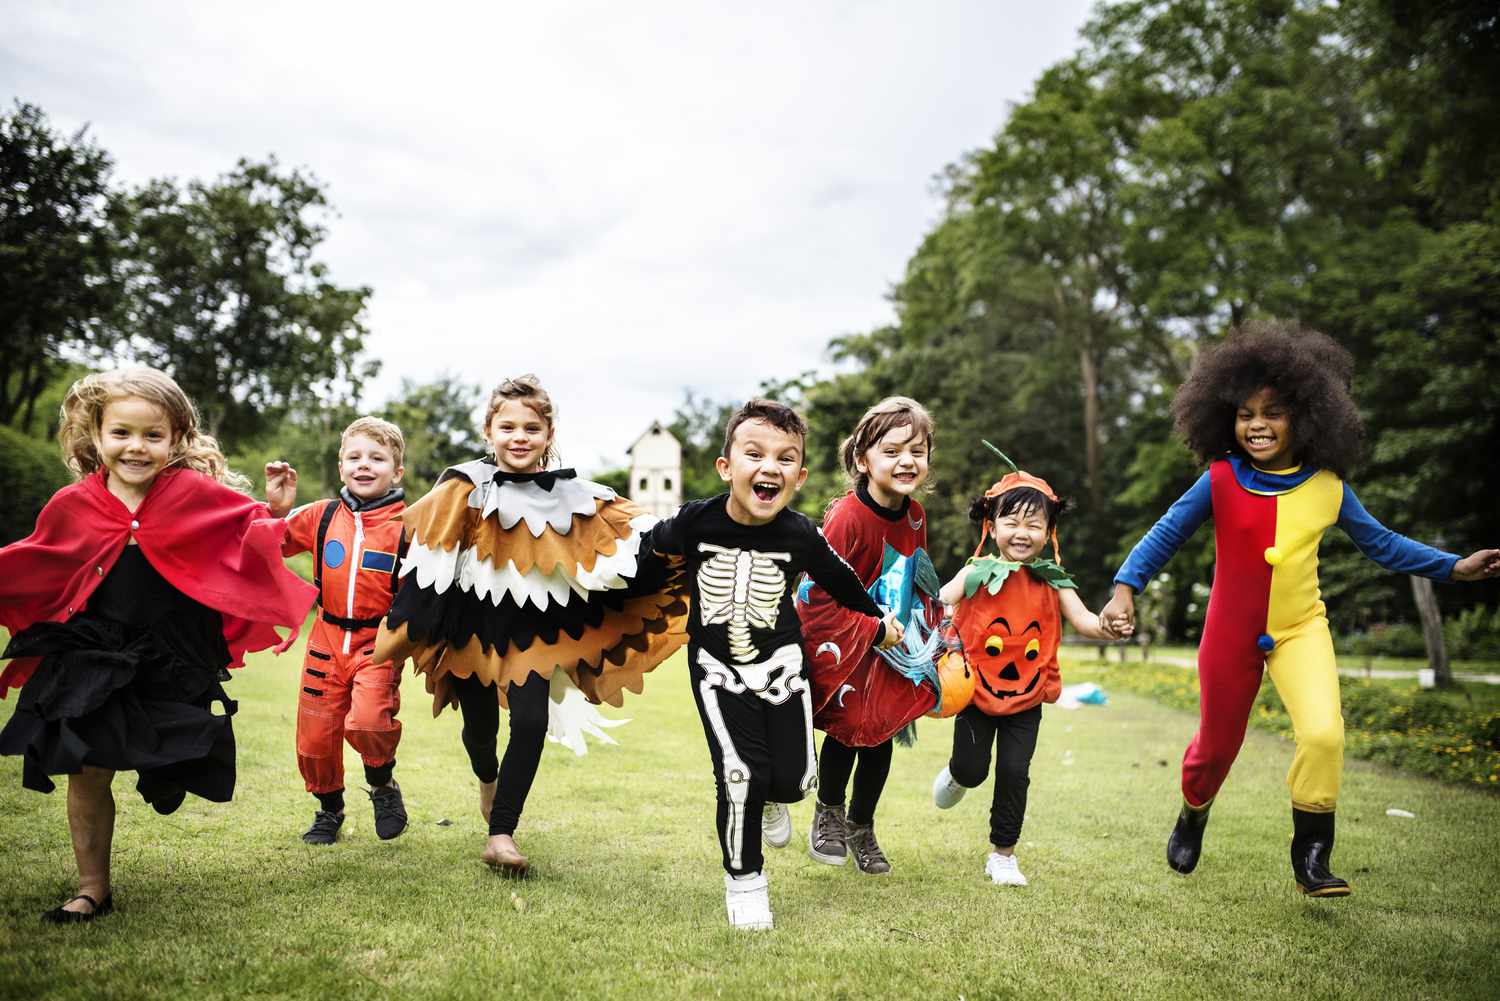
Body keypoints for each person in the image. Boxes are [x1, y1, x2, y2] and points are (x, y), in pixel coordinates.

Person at [1099, 322, 1500, 896]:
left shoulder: (1330, 486)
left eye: (1273, 412)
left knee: (1323, 734)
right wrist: (1125, 588)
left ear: (1308, 418)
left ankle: (1312, 852)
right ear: (1226, 419)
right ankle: (1193, 812)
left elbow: (1383, 544)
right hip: (1229, 633)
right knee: (1216, 745)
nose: (1256, 424)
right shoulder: (1217, 479)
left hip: (1300, 629)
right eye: (1245, 413)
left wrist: (1455, 565)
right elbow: (1164, 534)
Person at [0, 367, 316, 922]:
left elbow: (247, 540)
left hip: (171, 653)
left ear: (176, 440)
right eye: (121, 433)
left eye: (152, 435)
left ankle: (162, 776)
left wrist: (276, 512)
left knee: (170, 764)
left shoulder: (193, 493)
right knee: (87, 765)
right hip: (91, 651)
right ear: (95, 434)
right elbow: (38, 557)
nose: (136, 447)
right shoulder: (73, 503)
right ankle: (92, 887)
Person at [373, 375, 686, 878]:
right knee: (480, 731)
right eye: (508, 426)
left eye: (531, 428)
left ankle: (501, 834)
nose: (519, 436)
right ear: (489, 430)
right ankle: (487, 781)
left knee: (532, 723)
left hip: (536, 634)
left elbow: (636, 529)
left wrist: (699, 527)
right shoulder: (462, 487)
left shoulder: (577, 494)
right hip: (472, 630)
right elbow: (407, 536)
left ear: (548, 433)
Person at [642, 399, 903, 930]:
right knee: (739, 773)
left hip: (784, 666)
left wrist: (881, 623)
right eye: (754, 454)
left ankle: (771, 798)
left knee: (792, 780)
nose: (769, 468)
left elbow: (842, 582)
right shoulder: (696, 520)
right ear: (726, 466)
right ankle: (744, 882)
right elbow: (644, 556)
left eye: (786, 459)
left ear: (800, 476)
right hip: (715, 669)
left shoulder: (800, 533)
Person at [932, 451, 1121, 887]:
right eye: (1012, 522)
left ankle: (1003, 855)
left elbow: (1086, 621)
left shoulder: (1053, 579)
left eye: (1034, 524)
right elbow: (939, 599)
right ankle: (959, 775)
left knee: (1015, 773)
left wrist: (1109, 625)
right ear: (992, 527)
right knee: (973, 769)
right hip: (976, 693)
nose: (1022, 532)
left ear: (1048, 531)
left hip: (1027, 697)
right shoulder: (976, 571)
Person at [798, 396, 939, 875]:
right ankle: (829, 813)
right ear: (863, 459)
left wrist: (931, 632)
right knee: (848, 731)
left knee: (881, 737)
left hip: (894, 647)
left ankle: (862, 825)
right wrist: (869, 629)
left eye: (917, 451)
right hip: (850, 644)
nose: (907, 461)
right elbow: (818, 591)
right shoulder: (846, 517)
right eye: (893, 450)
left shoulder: (916, 515)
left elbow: (914, 575)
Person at [264, 416, 410, 844]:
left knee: (369, 722)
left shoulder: (409, 525)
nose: (365, 465)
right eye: (355, 457)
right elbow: (269, 542)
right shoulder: (321, 515)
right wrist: (276, 509)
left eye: (377, 458)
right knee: (315, 737)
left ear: (396, 471)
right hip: (326, 638)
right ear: (340, 465)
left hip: (377, 643)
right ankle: (329, 810)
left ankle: (383, 785)